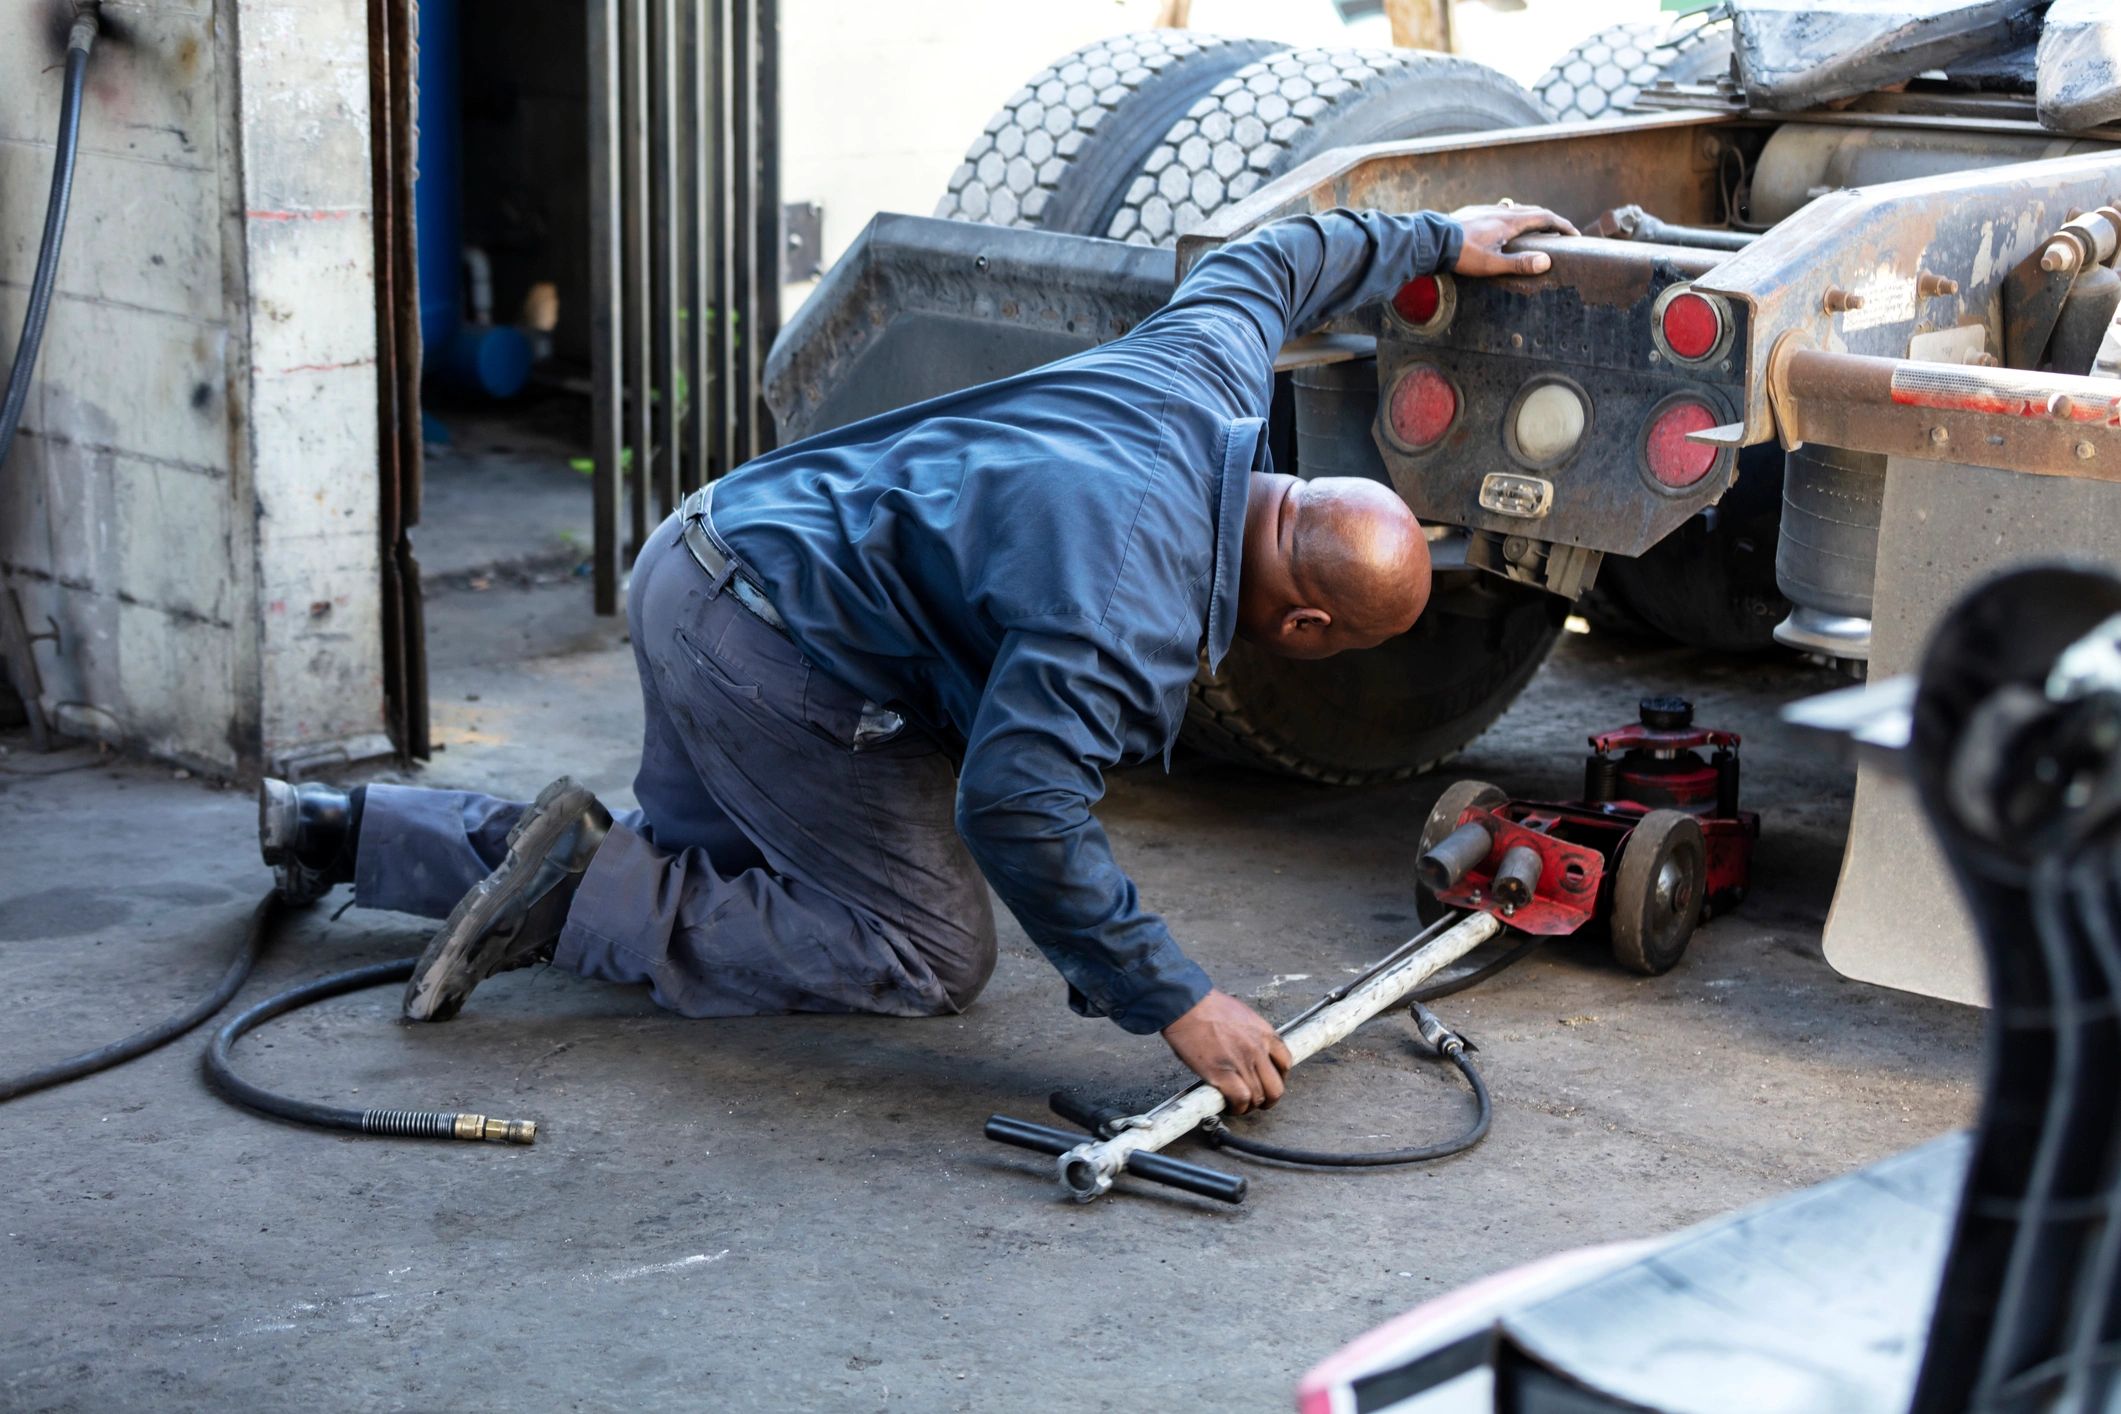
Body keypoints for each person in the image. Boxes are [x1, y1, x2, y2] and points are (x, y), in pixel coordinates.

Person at [258, 201, 1575, 1115]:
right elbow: (1019, 807)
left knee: (711, 876)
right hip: (770, 656)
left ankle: (345, 833)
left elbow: (1274, 262)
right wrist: (1174, 999)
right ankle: (556, 907)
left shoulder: (1197, 385)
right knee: (923, 948)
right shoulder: (1124, 610)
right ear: (1304, 627)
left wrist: (1441, 242)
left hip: (706, 551)